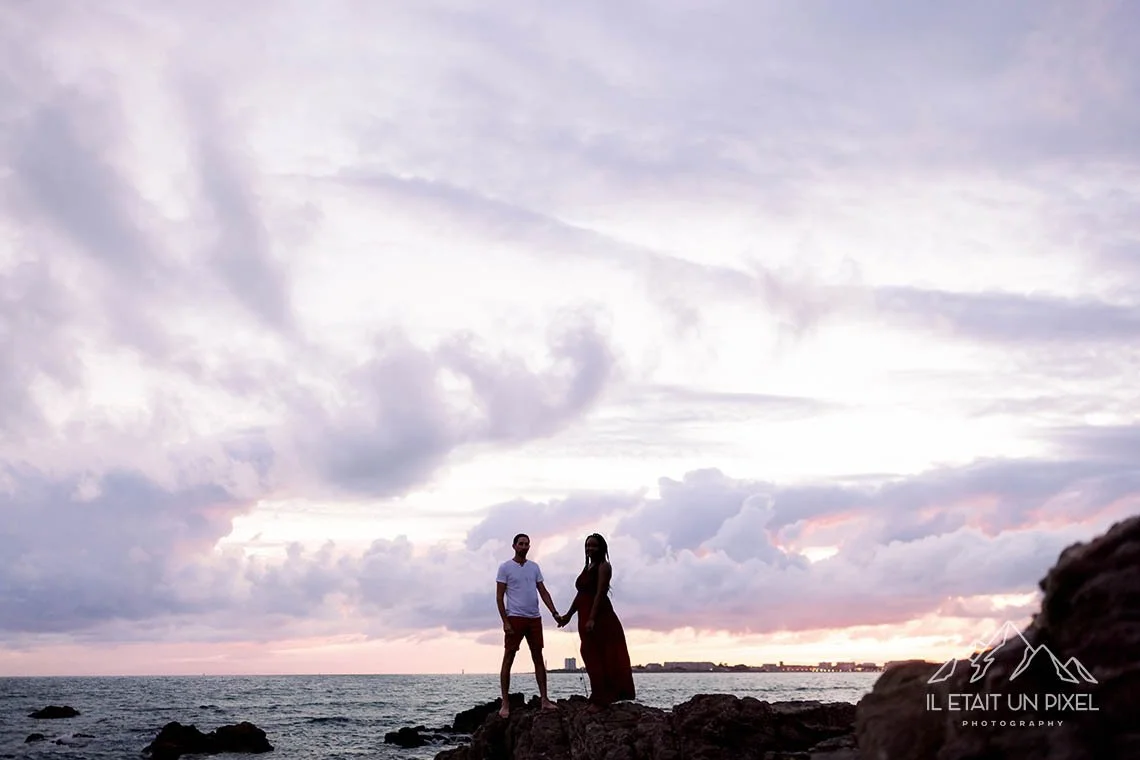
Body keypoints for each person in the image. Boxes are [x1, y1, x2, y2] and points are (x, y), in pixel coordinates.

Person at [556, 533, 635, 712]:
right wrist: (568, 615)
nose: (590, 549)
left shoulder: (604, 566)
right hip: (584, 617)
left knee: (601, 657)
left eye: (594, 546)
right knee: (589, 655)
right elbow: (581, 594)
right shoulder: (587, 567)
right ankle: (598, 695)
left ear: (602, 548)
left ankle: (601, 700)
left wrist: (592, 618)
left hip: (601, 618)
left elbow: (600, 593)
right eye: (587, 546)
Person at [496, 533, 561, 718]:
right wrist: (505, 621)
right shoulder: (505, 568)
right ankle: (505, 704)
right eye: (521, 544)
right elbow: (499, 597)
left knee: (538, 657)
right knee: (508, 658)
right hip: (514, 617)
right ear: (514, 545)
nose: (524, 547)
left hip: (534, 618)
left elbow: (543, 591)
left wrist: (554, 613)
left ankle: (545, 700)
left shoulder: (534, 567)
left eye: (527, 544)